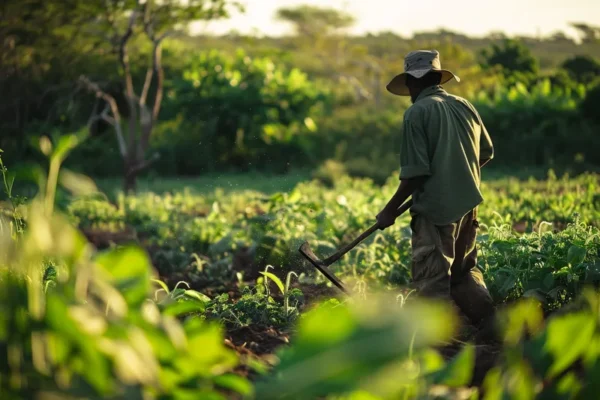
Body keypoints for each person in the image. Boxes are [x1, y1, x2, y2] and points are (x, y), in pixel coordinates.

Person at [376, 49, 496, 331]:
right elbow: (486, 153)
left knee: (432, 280)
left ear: (410, 83)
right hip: (468, 206)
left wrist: (389, 209)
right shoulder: (464, 105)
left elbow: (416, 173)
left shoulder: (416, 113)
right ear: (436, 78)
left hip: (436, 211)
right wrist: (456, 172)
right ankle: (495, 329)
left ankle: (442, 345)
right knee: (462, 274)